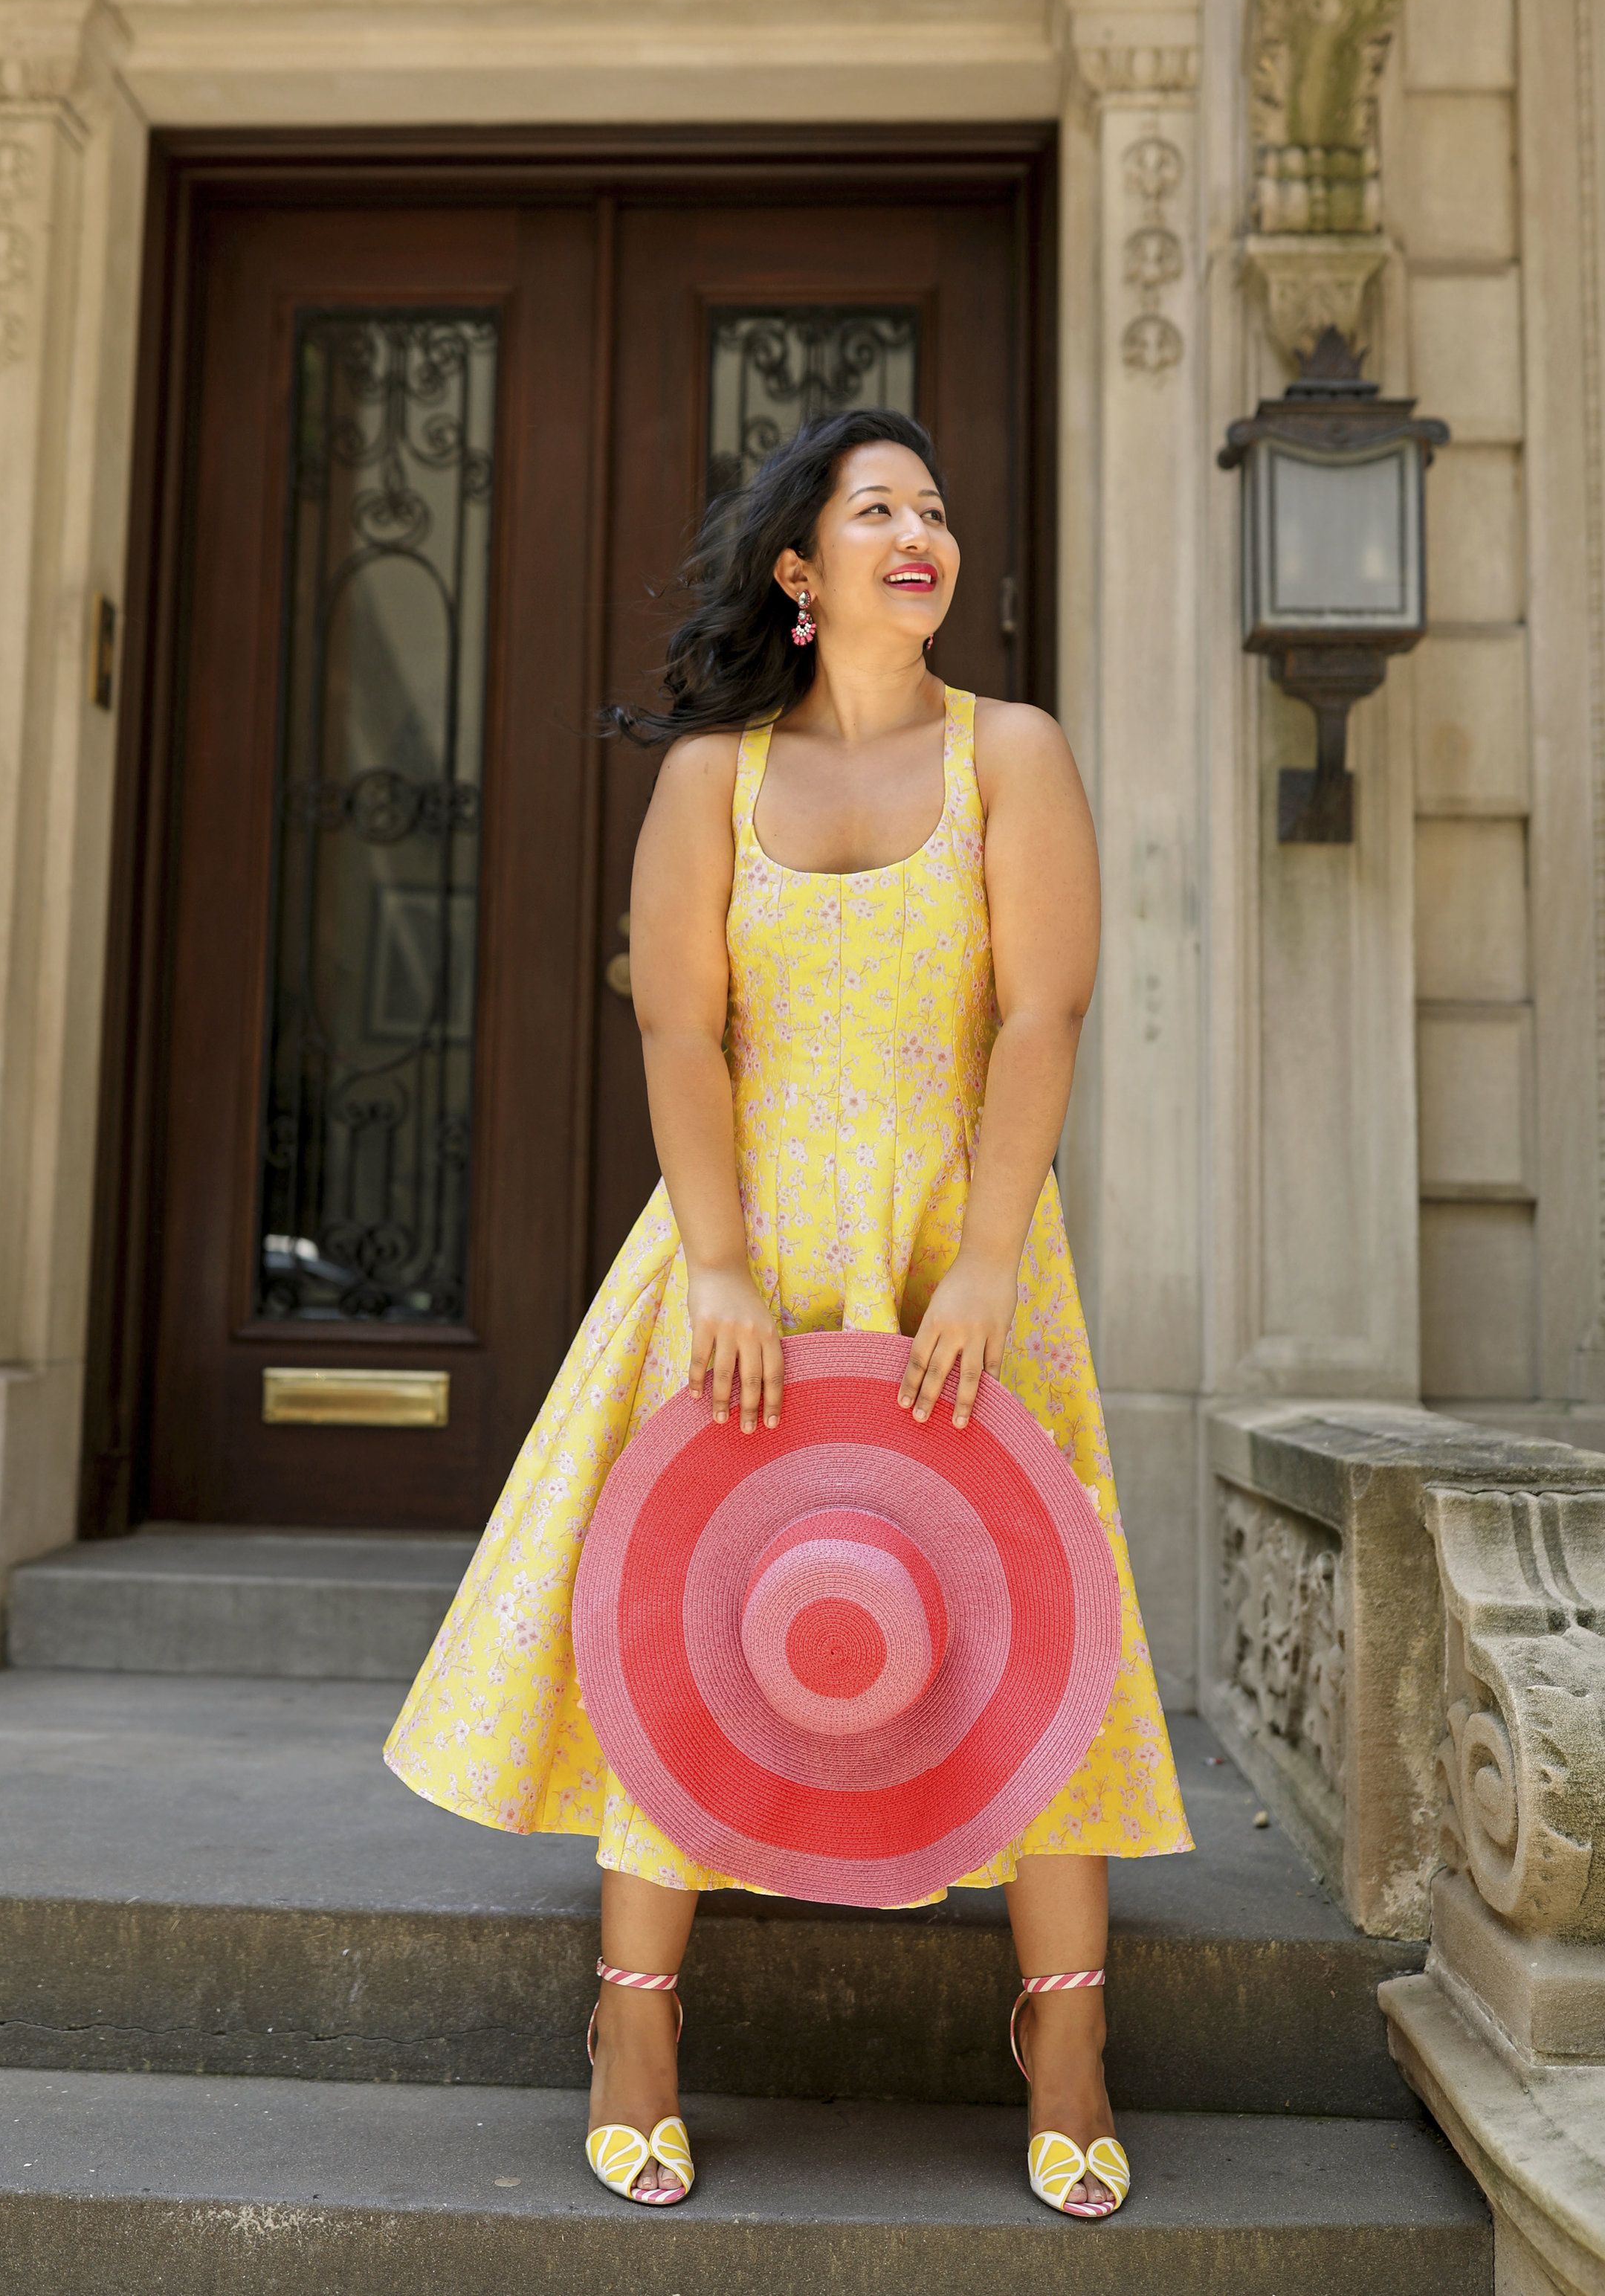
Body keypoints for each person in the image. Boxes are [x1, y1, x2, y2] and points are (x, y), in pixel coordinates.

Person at [384, 407, 1190, 2218]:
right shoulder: (709, 781)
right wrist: (726, 1264)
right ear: (799, 572)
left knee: (1026, 1621)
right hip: (732, 1251)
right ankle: (634, 2024)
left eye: (934, 505)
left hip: (957, 1250)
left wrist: (981, 1262)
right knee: (686, 1605)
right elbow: (679, 1027)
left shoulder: (1016, 753)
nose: (919, 529)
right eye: (874, 507)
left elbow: (1040, 1021)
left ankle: (1064, 2038)